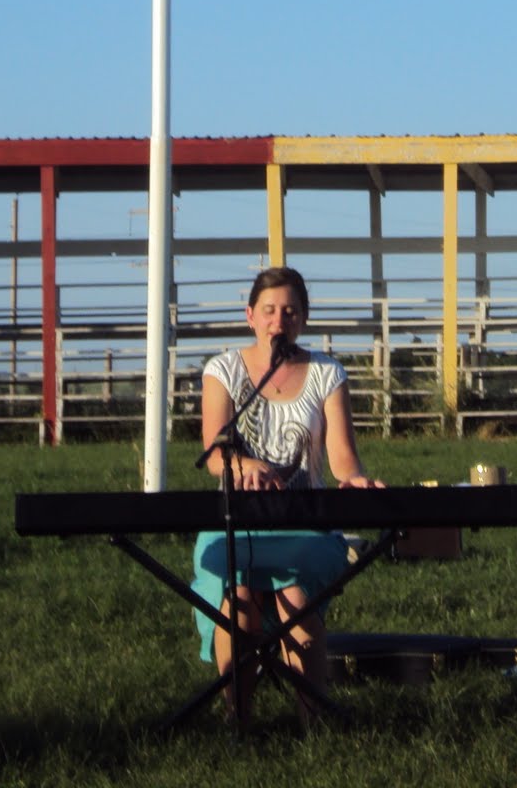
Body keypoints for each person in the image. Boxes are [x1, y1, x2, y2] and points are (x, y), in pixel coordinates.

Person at [192, 265, 383, 723]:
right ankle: (238, 718)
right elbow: (215, 455)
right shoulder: (223, 370)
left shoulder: (327, 373)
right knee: (239, 594)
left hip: (305, 523)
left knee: (296, 596)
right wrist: (245, 466)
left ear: (304, 318)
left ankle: (312, 720)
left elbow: (343, 458)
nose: (279, 321)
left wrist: (355, 479)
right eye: (270, 311)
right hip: (238, 520)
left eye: (291, 312)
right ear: (250, 316)